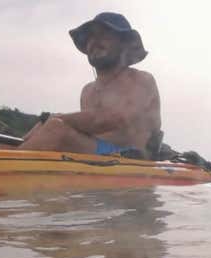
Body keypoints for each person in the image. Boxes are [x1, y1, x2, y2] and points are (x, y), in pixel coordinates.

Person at [19, 12, 161, 158]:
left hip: (133, 161)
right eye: (91, 37)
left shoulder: (141, 79)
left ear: (124, 44)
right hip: (95, 155)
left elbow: (117, 118)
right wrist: (43, 124)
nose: (95, 41)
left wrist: (56, 119)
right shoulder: (87, 91)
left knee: (55, 128)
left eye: (104, 35)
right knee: (19, 138)